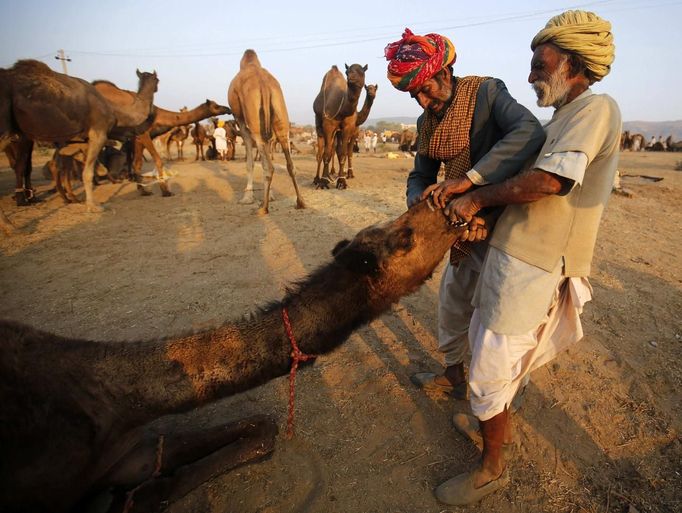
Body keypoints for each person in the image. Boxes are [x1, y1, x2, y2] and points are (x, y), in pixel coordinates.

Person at [427, 10, 620, 505]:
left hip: (535, 263)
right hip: (512, 254)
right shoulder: (561, 118)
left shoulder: (596, 110)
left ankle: (492, 468)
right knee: (485, 347)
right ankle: (492, 426)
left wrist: (476, 197)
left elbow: (550, 183)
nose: (531, 73)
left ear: (573, 62)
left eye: (540, 63)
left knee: (492, 362)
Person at [384, 28, 545, 403]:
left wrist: (471, 183)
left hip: (504, 220)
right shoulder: (427, 124)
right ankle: (453, 374)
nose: (423, 102)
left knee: (500, 315)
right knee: (453, 301)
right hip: (458, 226)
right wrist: (419, 200)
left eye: (426, 89)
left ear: (445, 74)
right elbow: (420, 174)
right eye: (414, 95)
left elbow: (528, 132)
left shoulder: (486, 93)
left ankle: (503, 393)